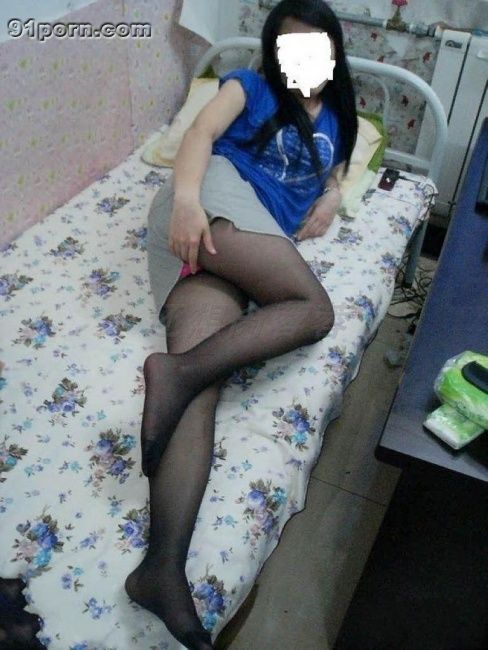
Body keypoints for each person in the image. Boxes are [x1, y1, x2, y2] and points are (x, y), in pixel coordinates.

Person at [125, 1, 358, 648]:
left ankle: (160, 568)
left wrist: (334, 193)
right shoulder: (248, 87)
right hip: (210, 207)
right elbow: (200, 136)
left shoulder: (342, 117)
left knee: (197, 389)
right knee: (313, 309)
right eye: (289, 47)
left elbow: (337, 167)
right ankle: (176, 373)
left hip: (243, 246)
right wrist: (187, 200)